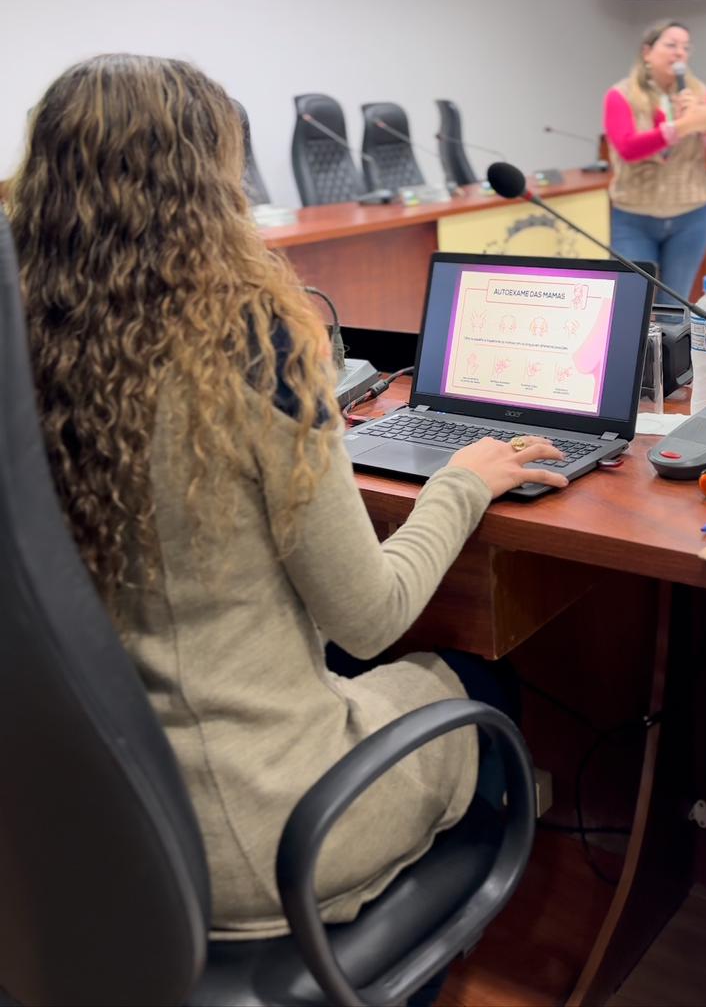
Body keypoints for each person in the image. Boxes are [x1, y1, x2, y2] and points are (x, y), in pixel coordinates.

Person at [7, 53, 568, 943]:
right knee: (476, 682)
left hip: (84, 831)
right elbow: (369, 618)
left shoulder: (23, 357)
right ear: (213, 190)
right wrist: (465, 481)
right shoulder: (246, 346)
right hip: (261, 839)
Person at [603, 20, 706, 300]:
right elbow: (628, 149)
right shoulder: (620, 95)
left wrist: (705, 126)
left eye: (685, 47)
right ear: (647, 52)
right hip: (634, 216)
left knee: (675, 305)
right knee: (631, 302)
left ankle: (669, 347)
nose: (679, 53)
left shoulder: (700, 95)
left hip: (690, 216)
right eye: (670, 45)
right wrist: (681, 127)